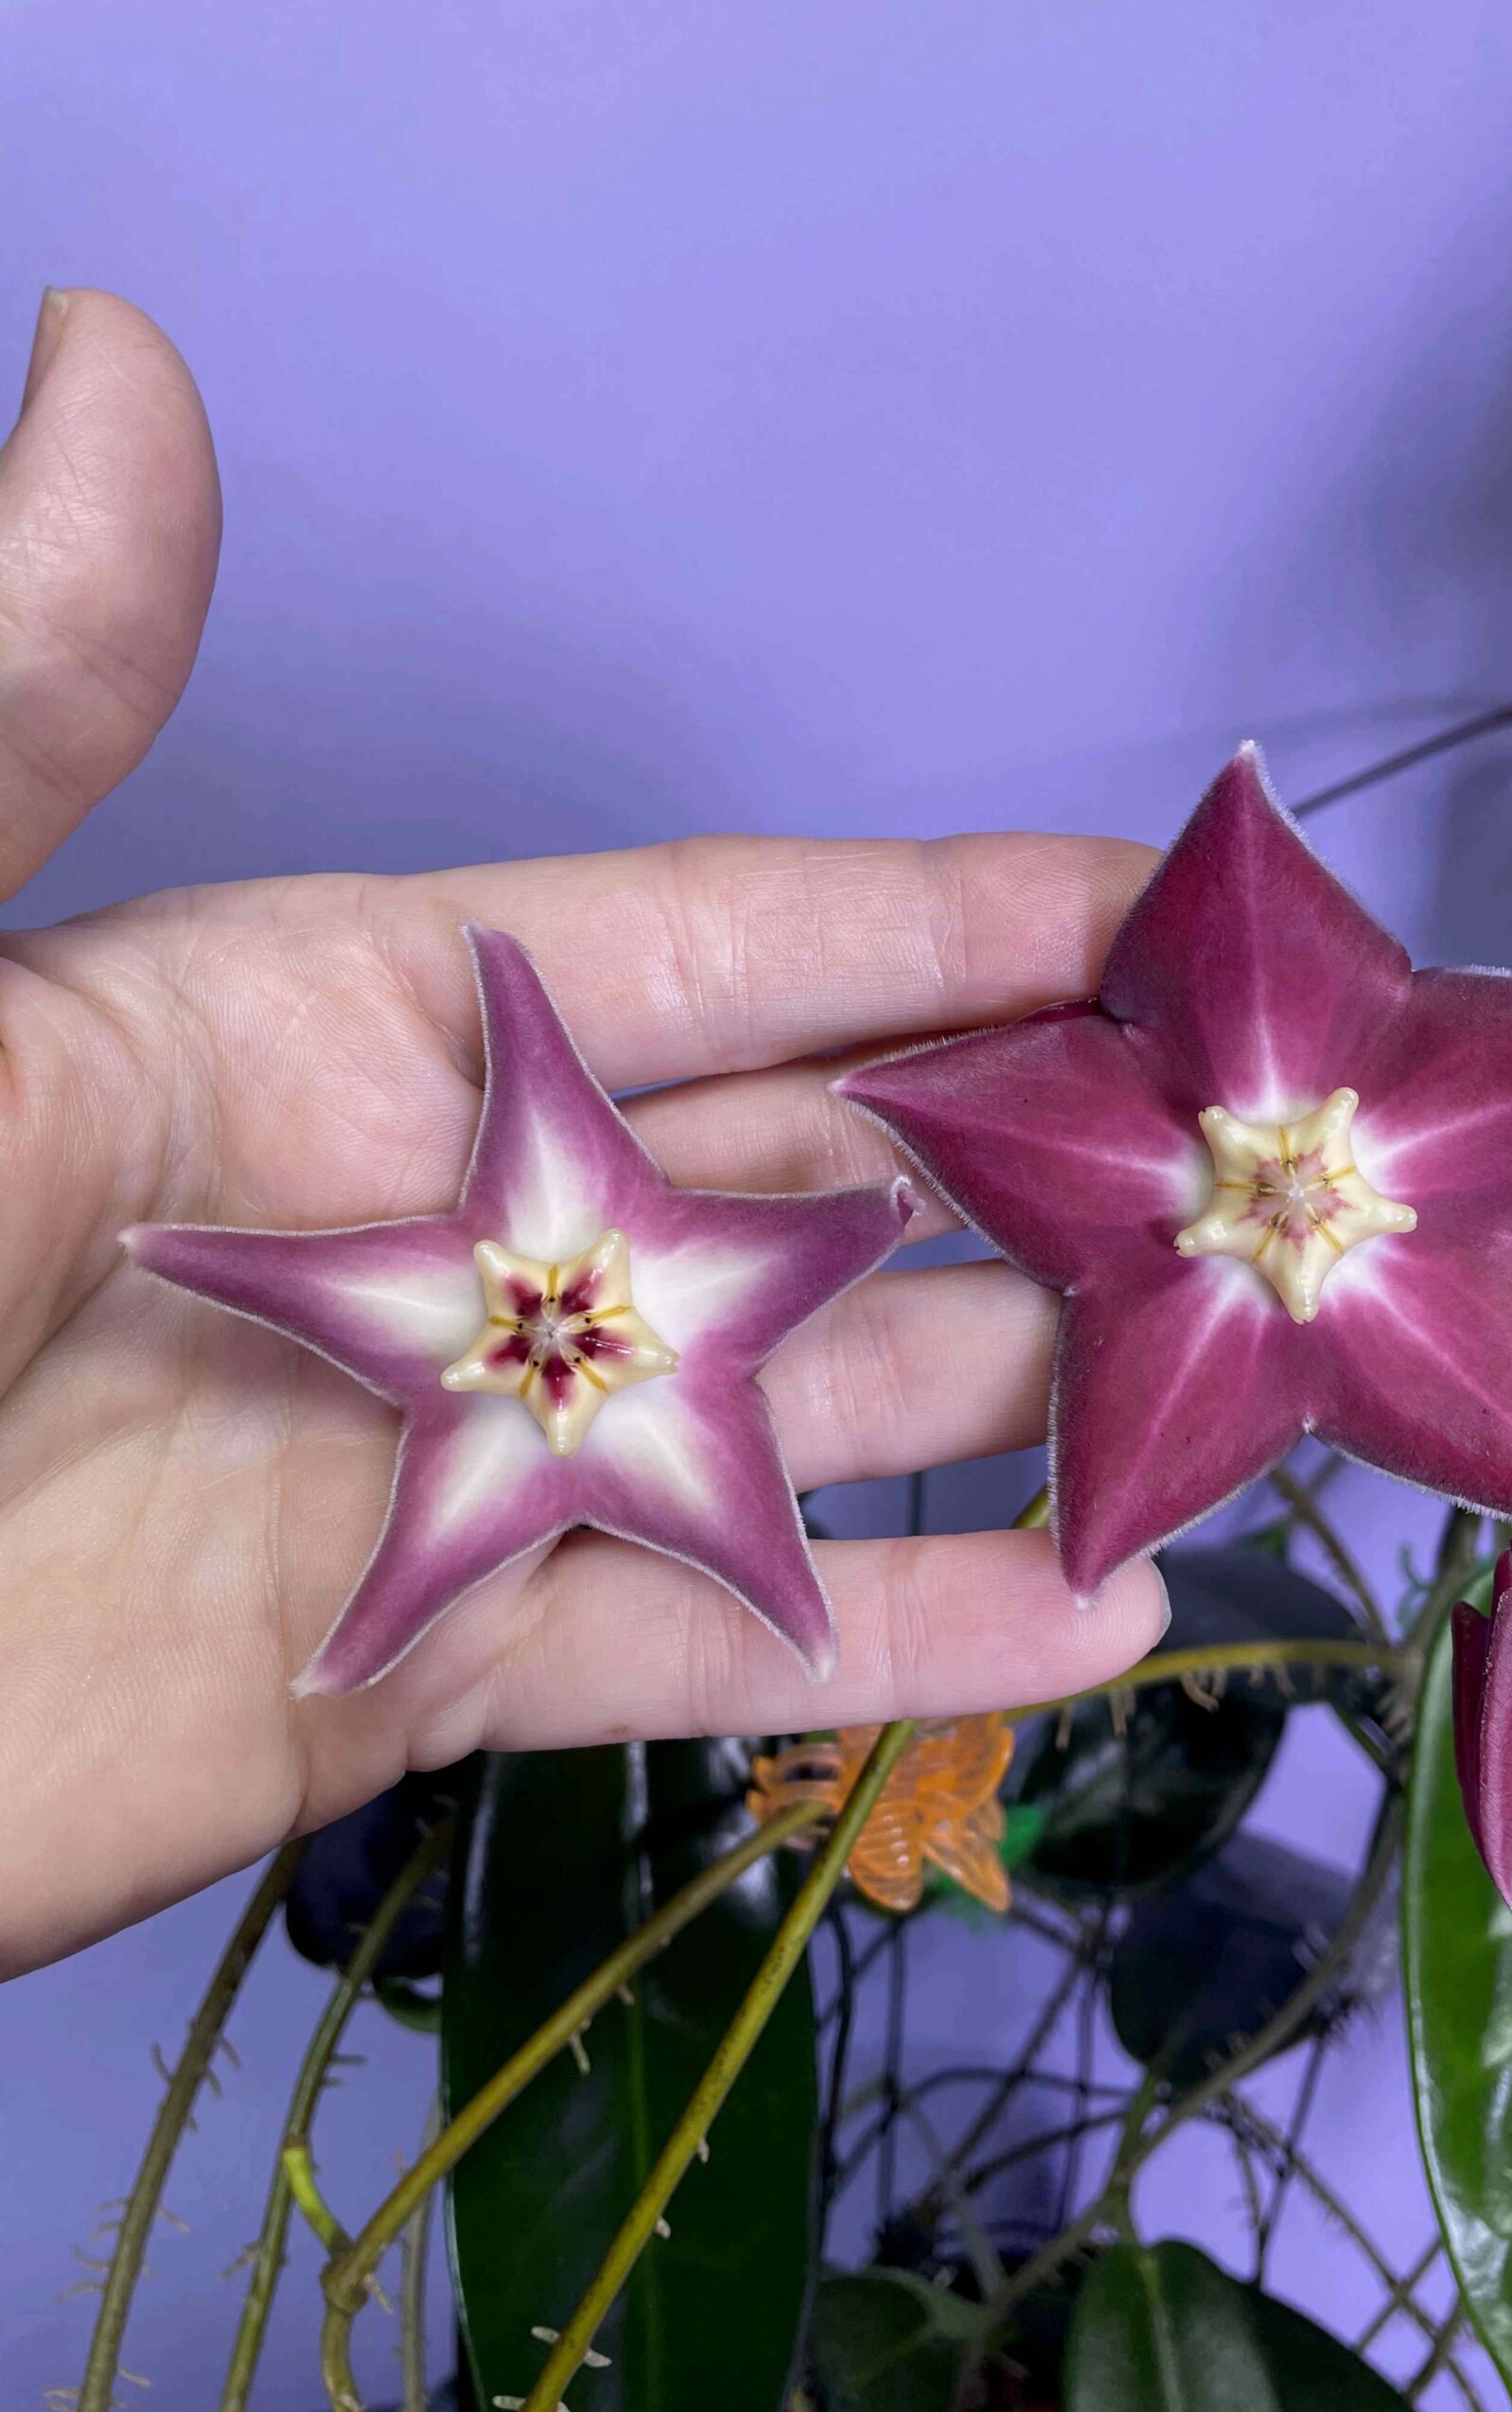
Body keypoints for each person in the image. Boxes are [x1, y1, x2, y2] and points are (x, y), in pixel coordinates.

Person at [0, 290, 1166, 1977]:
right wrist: (195, 1252)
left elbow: (819, 1234)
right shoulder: (539, 1318)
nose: (548, 1328)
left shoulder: (590, 1314)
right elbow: (661, 1213)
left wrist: (857, 1226)